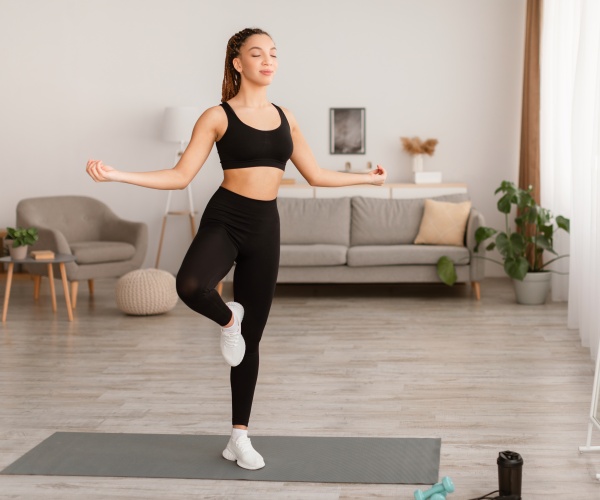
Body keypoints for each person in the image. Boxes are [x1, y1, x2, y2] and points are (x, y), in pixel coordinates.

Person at [86, 27, 387, 471]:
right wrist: (118, 174)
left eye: (273, 54)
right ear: (237, 63)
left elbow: (316, 175)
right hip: (226, 217)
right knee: (189, 285)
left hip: (266, 227)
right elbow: (180, 175)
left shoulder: (287, 116)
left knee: (252, 341)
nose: (268, 61)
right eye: (257, 54)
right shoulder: (217, 116)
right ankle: (229, 317)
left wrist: (368, 178)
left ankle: (238, 438)